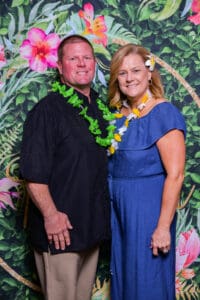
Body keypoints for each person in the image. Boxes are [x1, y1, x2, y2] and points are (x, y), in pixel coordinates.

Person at [20, 35, 111, 300]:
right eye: (73, 58)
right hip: (61, 232)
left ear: (94, 63)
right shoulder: (47, 111)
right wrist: (51, 216)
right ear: (60, 66)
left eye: (86, 57)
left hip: (90, 231)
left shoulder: (98, 109)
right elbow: (33, 173)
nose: (81, 64)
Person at [107, 44, 186, 300]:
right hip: (119, 215)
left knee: (147, 282)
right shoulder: (117, 117)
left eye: (136, 70)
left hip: (148, 213)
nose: (129, 78)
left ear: (149, 73)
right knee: (126, 280)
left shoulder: (163, 113)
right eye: (122, 73)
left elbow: (176, 175)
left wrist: (163, 226)